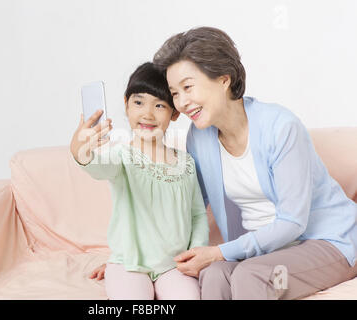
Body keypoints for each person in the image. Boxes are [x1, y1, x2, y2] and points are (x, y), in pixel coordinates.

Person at [148, 26, 357, 300]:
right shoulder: (199, 136)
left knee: (251, 275)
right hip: (267, 253)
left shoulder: (281, 127)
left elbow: (293, 222)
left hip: (330, 245)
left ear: (224, 79)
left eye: (188, 87)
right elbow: (189, 206)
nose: (182, 102)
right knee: (213, 274)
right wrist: (133, 259)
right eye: (175, 93)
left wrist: (220, 251)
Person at [70, 62, 209, 300]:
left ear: (174, 113)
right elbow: (98, 167)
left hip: (173, 266)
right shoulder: (121, 156)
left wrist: (193, 256)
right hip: (128, 264)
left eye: (159, 105)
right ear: (126, 104)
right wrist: (80, 151)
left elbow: (197, 215)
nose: (147, 113)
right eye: (138, 102)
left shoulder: (186, 163)